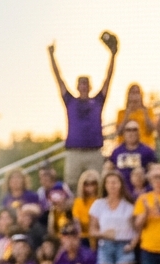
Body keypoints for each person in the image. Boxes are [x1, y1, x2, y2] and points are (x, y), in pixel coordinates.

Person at [49, 35, 117, 188]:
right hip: (74, 152)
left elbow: (108, 78)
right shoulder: (70, 101)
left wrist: (113, 55)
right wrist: (51, 56)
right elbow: (58, 78)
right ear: (77, 86)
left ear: (90, 86)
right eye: (81, 84)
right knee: (72, 186)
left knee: (97, 186)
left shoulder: (98, 100)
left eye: (86, 83)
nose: (84, 86)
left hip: (94, 151)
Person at [88, 170, 136, 264]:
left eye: (115, 182)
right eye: (109, 183)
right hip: (105, 246)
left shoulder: (129, 205)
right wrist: (104, 234)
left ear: (121, 184)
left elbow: (137, 230)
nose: (112, 186)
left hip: (124, 246)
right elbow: (92, 230)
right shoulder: (98, 204)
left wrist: (132, 244)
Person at [108, 120, 155, 199]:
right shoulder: (116, 152)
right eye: (128, 130)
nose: (131, 133)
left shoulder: (147, 151)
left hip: (140, 194)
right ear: (124, 133)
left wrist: (147, 189)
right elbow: (110, 171)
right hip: (120, 194)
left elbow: (153, 173)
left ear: (139, 132)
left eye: (134, 130)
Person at [114, 83, 156, 149]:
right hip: (126, 149)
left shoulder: (148, 111)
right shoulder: (122, 113)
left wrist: (145, 113)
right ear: (128, 95)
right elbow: (119, 132)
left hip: (146, 146)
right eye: (132, 93)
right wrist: (127, 115)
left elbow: (151, 129)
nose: (135, 96)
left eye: (137, 93)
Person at [72, 170, 101, 242]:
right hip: (84, 238)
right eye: (87, 185)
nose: (90, 188)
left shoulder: (102, 201)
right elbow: (77, 221)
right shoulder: (78, 202)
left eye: (93, 184)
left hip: (100, 236)